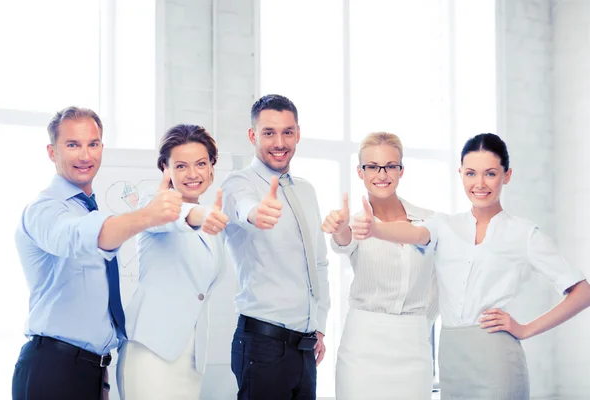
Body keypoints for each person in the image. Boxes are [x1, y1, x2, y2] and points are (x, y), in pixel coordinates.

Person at [351, 133, 590, 399]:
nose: (479, 183)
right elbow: (414, 234)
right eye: (471, 173)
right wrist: (377, 230)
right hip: (451, 357)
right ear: (460, 174)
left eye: (490, 173)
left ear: (506, 175)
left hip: (496, 357)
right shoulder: (444, 225)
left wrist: (525, 329)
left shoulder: (524, 234)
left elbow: (583, 291)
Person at [12, 106, 184, 400]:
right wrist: (148, 215)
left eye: (92, 144)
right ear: (52, 152)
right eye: (72, 145)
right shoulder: (44, 210)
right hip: (54, 369)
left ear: (102, 148)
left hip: (90, 372)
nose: (85, 155)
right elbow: (79, 235)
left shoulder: (88, 209)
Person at [221, 94, 331, 400]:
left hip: (306, 348)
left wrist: (318, 325)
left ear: (297, 133)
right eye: (269, 133)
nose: (279, 142)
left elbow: (319, 263)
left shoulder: (306, 191)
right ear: (252, 135)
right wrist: (257, 214)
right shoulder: (237, 184)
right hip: (263, 345)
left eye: (287, 132)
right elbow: (244, 208)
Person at [321, 132, 437, 400]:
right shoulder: (355, 223)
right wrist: (339, 229)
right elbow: (344, 241)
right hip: (363, 346)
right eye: (372, 166)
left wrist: (421, 322)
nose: (381, 174)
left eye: (390, 166)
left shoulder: (429, 221)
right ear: (360, 172)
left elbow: (441, 281)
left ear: (401, 170)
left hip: (414, 347)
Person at [116, 124, 229, 399]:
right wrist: (199, 214)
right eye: (181, 166)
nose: (193, 174)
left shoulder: (214, 225)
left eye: (201, 163)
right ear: (165, 170)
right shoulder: (152, 205)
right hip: (150, 353)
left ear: (212, 168)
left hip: (190, 358)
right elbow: (175, 217)